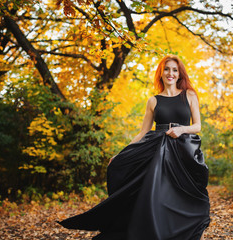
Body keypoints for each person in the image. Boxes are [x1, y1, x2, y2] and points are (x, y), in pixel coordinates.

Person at [57, 55, 210, 240]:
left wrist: (181, 130)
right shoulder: (153, 101)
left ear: (180, 74)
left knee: (188, 198)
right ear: (161, 73)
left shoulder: (189, 95)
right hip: (158, 154)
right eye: (167, 69)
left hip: (183, 153)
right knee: (159, 198)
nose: (171, 73)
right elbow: (143, 133)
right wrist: (121, 154)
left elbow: (197, 126)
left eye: (175, 70)